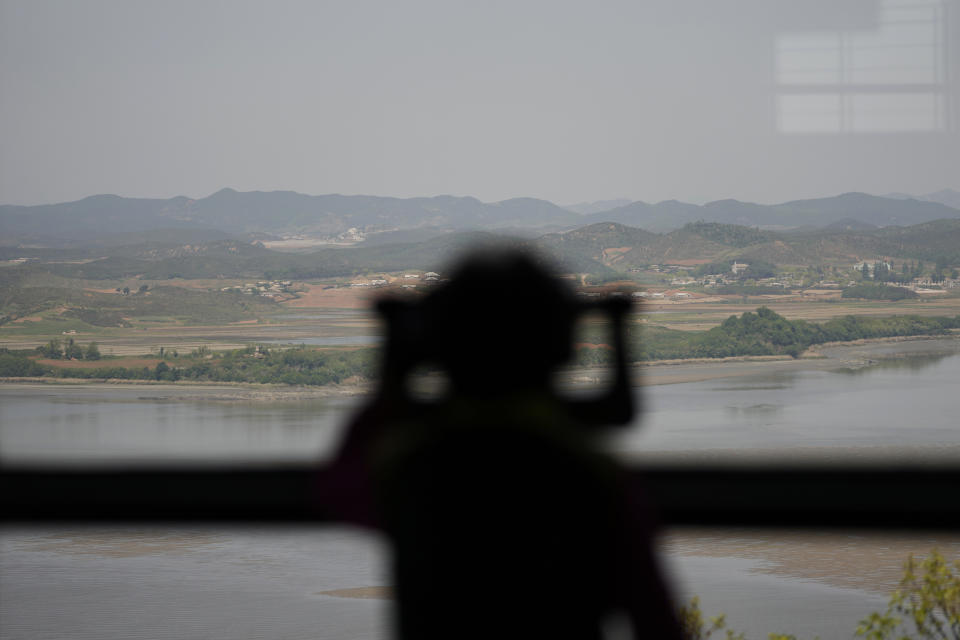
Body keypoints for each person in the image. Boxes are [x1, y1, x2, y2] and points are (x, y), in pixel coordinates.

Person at [327, 248, 682, 640]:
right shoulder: (591, 478)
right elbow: (654, 615)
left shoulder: (415, 471)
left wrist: (395, 346)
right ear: (562, 347)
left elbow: (339, 489)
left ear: (435, 347)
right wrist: (616, 326)